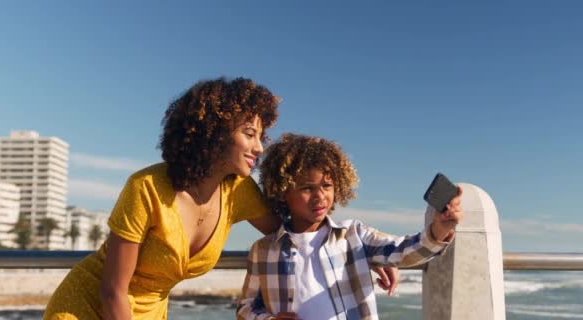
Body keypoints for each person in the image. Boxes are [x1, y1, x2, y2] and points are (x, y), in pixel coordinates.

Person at [43, 78, 398, 320]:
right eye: (249, 134)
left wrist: (355, 253)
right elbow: (112, 290)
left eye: (262, 135)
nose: (260, 147)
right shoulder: (146, 188)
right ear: (212, 134)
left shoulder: (238, 192)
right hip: (88, 306)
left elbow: (298, 233)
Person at [237, 133, 463, 320]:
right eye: (307, 188)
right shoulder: (263, 250)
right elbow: (246, 308)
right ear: (284, 192)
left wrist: (439, 230)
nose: (320, 196)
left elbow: (404, 251)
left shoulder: (354, 235)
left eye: (327, 185)